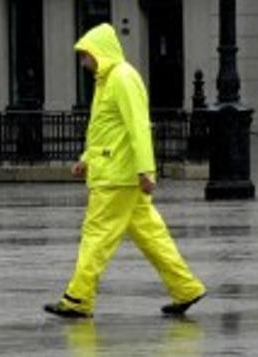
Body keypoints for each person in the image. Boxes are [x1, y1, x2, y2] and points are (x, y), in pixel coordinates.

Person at [44, 23, 206, 319]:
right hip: (120, 174)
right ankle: (186, 288)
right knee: (152, 237)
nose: (83, 63)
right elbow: (107, 130)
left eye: (85, 55)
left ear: (98, 52)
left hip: (116, 179)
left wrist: (147, 169)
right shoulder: (110, 79)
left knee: (96, 236)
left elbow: (138, 127)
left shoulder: (121, 78)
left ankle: (78, 298)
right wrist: (87, 158)